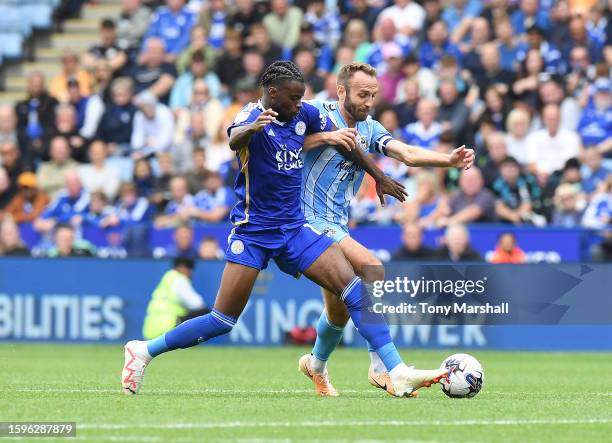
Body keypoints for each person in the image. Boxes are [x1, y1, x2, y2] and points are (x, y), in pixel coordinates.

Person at [121, 61, 449, 398]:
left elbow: (346, 142)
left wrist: (378, 176)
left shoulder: (302, 114)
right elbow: (234, 139)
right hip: (254, 232)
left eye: (301, 98)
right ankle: (143, 351)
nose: (299, 105)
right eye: (293, 99)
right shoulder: (251, 114)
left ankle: (395, 371)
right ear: (271, 93)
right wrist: (252, 129)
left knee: (353, 286)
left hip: (294, 229)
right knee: (222, 319)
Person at [299, 62, 474, 396]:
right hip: (305, 221)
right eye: (362, 95)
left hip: (337, 225)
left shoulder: (369, 128)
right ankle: (383, 369)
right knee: (371, 268)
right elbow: (287, 139)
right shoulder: (317, 112)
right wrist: (323, 136)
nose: (369, 102)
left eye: (373, 95)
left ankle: (316, 366)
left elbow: (406, 153)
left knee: (338, 312)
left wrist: (447, 160)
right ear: (341, 91)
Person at [142, 257, 210, 340]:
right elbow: (197, 303)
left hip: (150, 332)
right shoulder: (179, 279)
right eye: (189, 269)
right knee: (204, 311)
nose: (191, 273)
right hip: (168, 330)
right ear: (182, 268)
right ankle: (193, 341)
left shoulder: (167, 278)